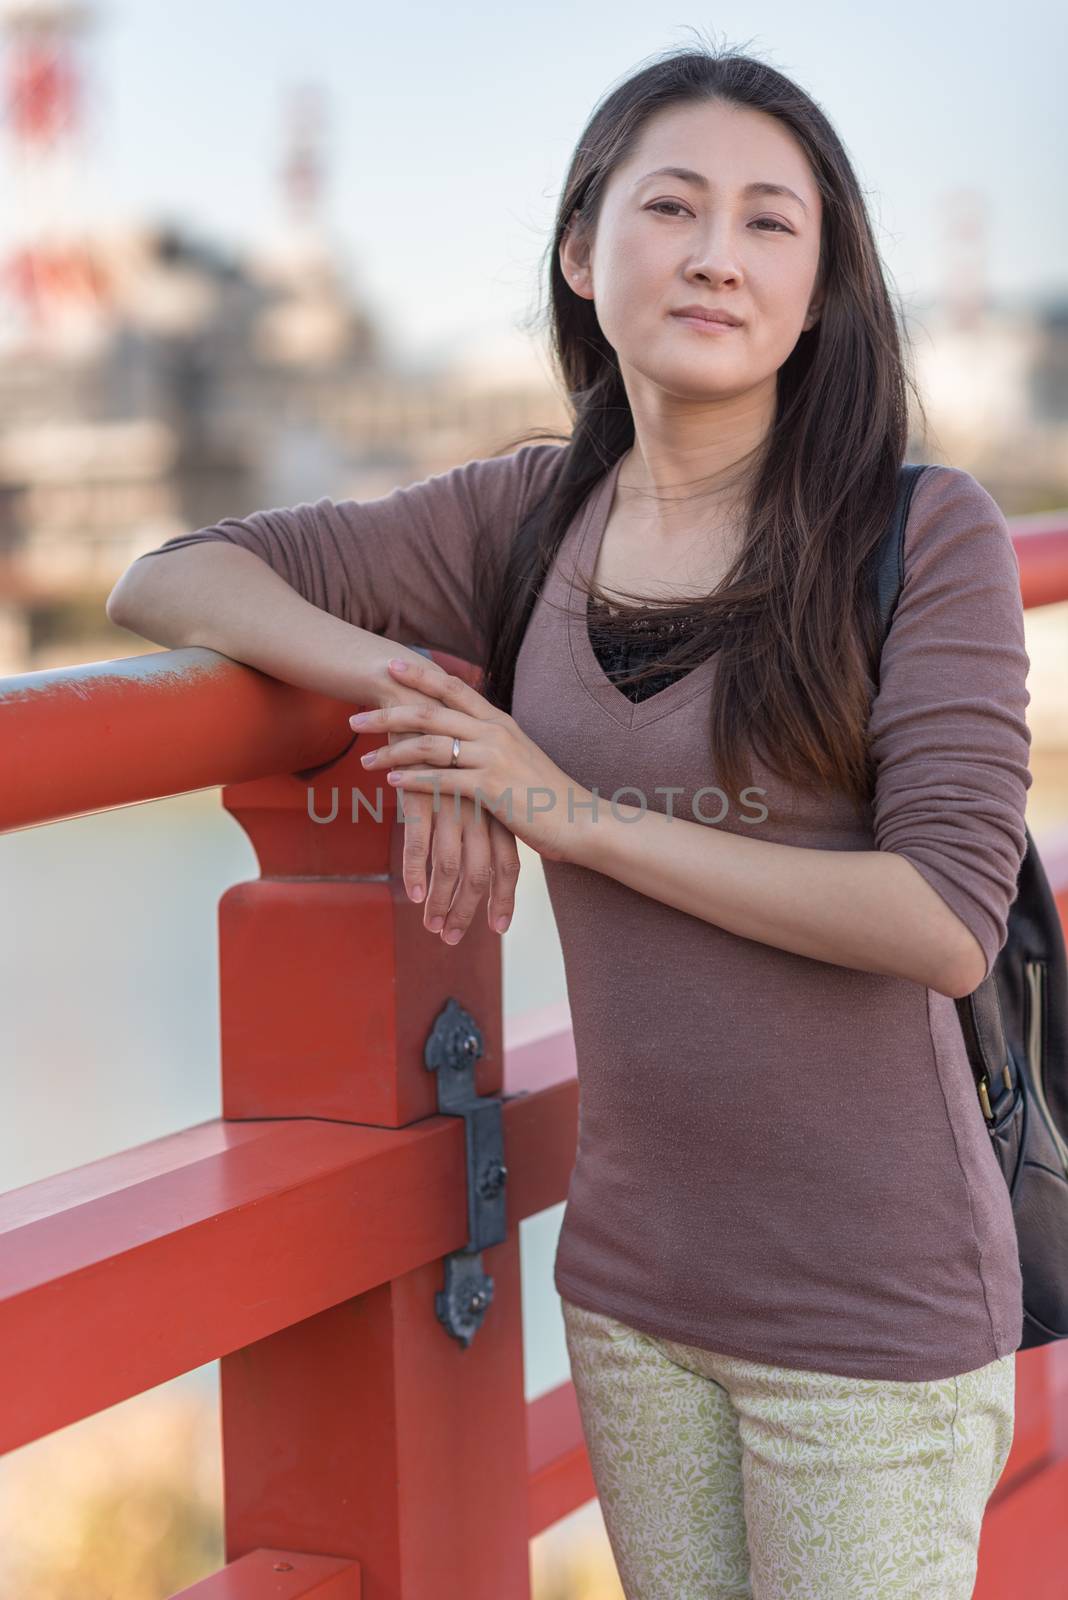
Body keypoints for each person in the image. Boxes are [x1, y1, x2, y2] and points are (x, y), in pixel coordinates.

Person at [107, 37, 1029, 1600]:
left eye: (769, 223)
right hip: (633, 1293)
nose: (716, 257)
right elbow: (169, 575)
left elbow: (943, 921)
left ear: (824, 289)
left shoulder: (921, 533)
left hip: (871, 1313)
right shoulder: (526, 517)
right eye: (671, 208)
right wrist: (432, 707)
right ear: (582, 250)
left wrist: (570, 813)